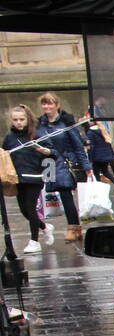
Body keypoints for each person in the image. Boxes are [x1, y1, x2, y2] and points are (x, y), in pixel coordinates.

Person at [35, 92, 91, 242]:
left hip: (67, 163)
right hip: (50, 164)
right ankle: (73, 226)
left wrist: (86, 165)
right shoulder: (39, 124)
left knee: (66, 194)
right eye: (44, 104)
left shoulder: (66, 122)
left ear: (57, 105)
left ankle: (73, 227)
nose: (47, 106)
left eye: (50, 103)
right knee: (55, 195)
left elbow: (78, 145)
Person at [5, 105, 56, 252]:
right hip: (18, 178)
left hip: (34, 177)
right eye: (15, 120)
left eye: (21, 119)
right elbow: (5, 155)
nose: (19, 122)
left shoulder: (37, 134)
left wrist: (45, 150)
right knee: (24, 211)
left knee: (31, 208)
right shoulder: (10, 137)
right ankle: (45, 227)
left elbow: (53, 152)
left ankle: (34, 241)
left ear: (27, 119)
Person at [84, 111, 114, 183]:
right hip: (106, 155)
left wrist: (90, 158)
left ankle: (98, 187)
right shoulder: (102, 129)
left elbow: (91, 147)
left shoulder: (90, 132)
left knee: (96, 172)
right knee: (105, 171)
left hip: (97, 157)